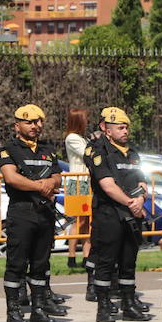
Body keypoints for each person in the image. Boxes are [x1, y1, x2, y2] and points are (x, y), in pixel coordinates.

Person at [77, 106, 152, 322]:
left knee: (129, 260)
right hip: (109, 214)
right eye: (120, 127)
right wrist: (131, 202)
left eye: (126, 127)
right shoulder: (97, 150)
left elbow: (142, 182)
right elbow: (107, 185)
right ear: (105, 129)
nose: (125, 131)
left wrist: (140, 199)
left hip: (131, 214)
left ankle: (128, 304)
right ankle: (104, 306)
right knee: (106, 261)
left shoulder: (132, 152)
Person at [0, 105, 66, 322]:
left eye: (38, 122)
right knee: (16, 263)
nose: (36, 126)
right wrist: (39, 186)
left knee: (40, 263)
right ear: (17, 125)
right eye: (30, 122)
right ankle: (14, 311)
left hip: (44, 213)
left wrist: (50, 183)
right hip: (22, 211)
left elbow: (57, 177)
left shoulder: (47, 149)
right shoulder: (10, 149)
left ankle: (38, 309)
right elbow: (11, 178)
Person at [62, 109, 92, 279]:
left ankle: (86, 256)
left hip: (86, 181)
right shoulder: (72, 138)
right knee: (77, 219)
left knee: (87, 219)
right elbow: (87, 153)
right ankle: (71, 256)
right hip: (77, 181)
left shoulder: (83, 138)